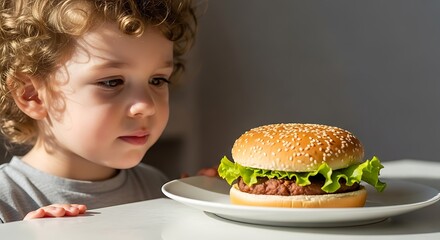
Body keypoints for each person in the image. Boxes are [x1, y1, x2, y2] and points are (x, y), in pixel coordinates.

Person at [0, 0, 197, 223]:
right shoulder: (6, 201)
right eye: (112, 82)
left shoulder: (155, 186)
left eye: (158, 79)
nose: (146, 105)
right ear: (32, 95)